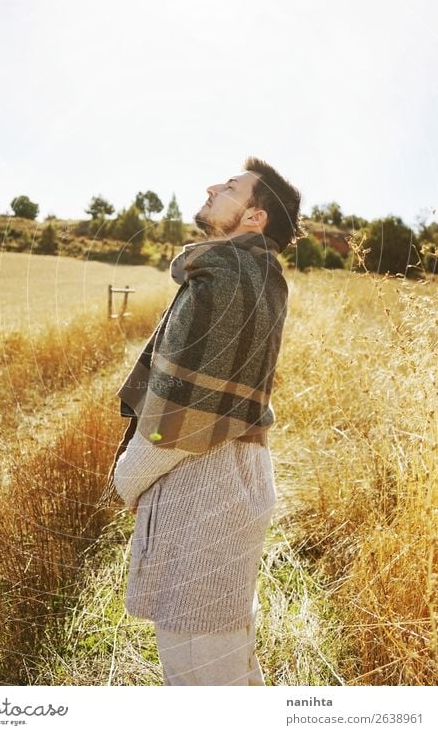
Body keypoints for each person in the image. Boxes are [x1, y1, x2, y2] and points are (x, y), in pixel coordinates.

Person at [102, 156, 303, 685]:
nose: (214, 187)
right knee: (225, 661)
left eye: (233, 187)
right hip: (222, 478)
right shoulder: (248, 273)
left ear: (255, 217)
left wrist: (127, 475)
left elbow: (185, 416)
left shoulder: (231, 275)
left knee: (199, 672)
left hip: (206, 486)